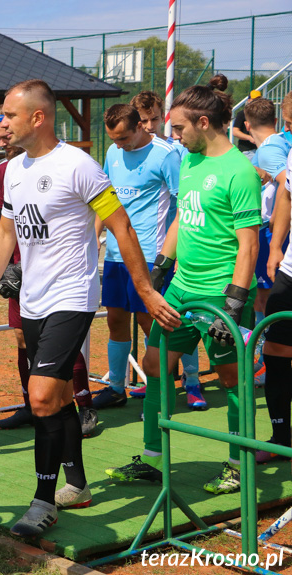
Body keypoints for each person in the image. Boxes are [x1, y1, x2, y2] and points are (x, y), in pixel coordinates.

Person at [0, 80, 177, 537]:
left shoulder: (78, 166)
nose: (2, 122)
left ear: (38, 117)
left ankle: (42, 501)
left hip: (72, 297)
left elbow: (121, 226)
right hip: (32, 300)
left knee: (42, 397)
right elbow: (6, 232)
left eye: (9, 113)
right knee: (59, 397)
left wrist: (145, 290)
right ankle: (79, 486)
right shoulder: (16, 169)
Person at [106, 75, 262, 495]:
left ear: (205, 122)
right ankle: (153, 460)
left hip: (220, 294)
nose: (171, 135)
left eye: (178, 128)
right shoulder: (189, 160)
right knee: (156, 366)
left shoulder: (239, 171)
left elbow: (249, 245)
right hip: (181, 287)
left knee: (232, 378)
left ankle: (237, 463)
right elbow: (181, 216)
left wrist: (235, 303)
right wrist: (161, 267)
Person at [0, 108, 97, 436]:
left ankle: (84, 402)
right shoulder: (6, 171)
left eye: (7, 135)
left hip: (63, 280)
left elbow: (104, 214)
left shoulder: (70, 163)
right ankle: (30, 405)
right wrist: (4, 269)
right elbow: (2, 226)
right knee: (23, 339)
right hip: (22, 272)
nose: (4, 143)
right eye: (0, 141)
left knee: (60, 344)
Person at [93, 105, 191, 408]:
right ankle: (116, 388)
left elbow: (183, 205)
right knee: (115, 320)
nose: (119, 144)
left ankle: (160, 393)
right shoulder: (112, 152)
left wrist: (170, 255)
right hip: (115, 254)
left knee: (154, 325)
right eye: (114, 139)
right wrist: (93, 238)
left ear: (140, 127)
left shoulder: (166, 154)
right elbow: (105, 200)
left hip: (151, 255)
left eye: (123, 138)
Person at [128, 90, 202, 399]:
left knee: (181, 320)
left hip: (176, 250)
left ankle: (193, 382)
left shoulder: (176, 151)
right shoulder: (136, 150)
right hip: (154, 251)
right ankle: (154, 378)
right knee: (157, 321)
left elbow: (185, 203)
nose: (148, 126)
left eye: (155, 119)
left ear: (164, 116)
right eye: (142, 120)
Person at [255, 90, 292, 464]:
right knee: (275, 350)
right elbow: (286, 196)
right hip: (290, 271)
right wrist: (277, 246)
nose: (288, 133)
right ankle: (282, 437)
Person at [232, 90, 262, 159]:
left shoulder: (262, 114)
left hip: (260, 149)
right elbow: (235, 131)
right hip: (247, 150)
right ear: (249, 100)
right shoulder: (242, 114)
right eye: (254, 100)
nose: (256, 102)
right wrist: (249, 138)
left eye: (259, 100)